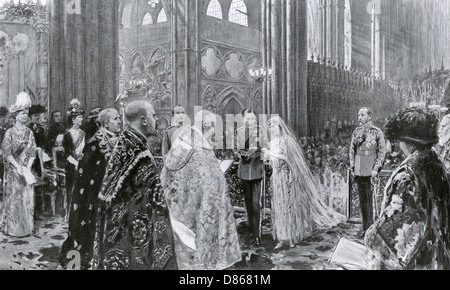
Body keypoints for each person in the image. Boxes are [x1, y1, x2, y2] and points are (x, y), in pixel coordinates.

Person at [91, 100, 177, 270]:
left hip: (119, 224)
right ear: (144, 120)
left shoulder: (125, 141)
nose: (157, 120)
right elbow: (157, 203)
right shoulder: (140, 153)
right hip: (132, 228)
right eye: (154, 116)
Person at [365, 108, 450, 270]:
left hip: (419, 260)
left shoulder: (408, 174)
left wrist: (371, 237)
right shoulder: (434, 161)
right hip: (439, 254)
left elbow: (398, 230)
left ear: (407, 142)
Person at [161, 110, 242, 270]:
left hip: (178, 206)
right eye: (214, 131)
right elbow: (212, 181)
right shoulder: (200, 148)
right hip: (197, 208)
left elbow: (167, 172)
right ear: (206, 126)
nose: (214, 137)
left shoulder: (182, 140)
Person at [262, 117, 345, 250]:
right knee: (279, 207)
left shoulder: (286, 140)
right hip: (276, 177)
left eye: (274, 125)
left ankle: (292, 235)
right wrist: (267, 157)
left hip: (287, 175)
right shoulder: (272, 142)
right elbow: (273, 160)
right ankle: (282, 237)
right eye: (270, 126)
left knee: (289, 207)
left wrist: (271, 153)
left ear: (280, 127)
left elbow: (288, 158)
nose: (271, 128)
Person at [60, 108, 122, 269]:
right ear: (106, 123)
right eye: (116, 119)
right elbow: (85, 173)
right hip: (96, 194)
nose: (120, 121)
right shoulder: (95, 142)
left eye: (120, 118)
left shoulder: (117, 139)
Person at [0, 92, 37, 237]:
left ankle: (26, 228)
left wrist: (27, 168)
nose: (25, 116)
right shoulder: (9, 133)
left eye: (26, 113)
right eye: (22, 113)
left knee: (27, 198)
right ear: (16, 115)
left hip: (26, 170)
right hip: (13, 170)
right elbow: (7, 154)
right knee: (14, 199)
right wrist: (18, 167)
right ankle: (14, 229)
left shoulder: (30, 132)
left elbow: (33, 152)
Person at [349, 107, 386, 234]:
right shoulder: (356, 132)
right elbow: (352, 150)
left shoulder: (377, 132)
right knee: (362, 200)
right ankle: (365, 228)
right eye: (358, 115)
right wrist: (353, 166)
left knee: (371, 201)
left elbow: (381, 151)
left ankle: (371, 229)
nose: (359, 117)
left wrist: (376, 168)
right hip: (359, 167)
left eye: (362, 115)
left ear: (370, 116)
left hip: (370, 168)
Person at [235, 109, 268, 246]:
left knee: (256, 204)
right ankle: (251, 229)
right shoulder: (239, 132)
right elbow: (236, 150)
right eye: (248, 119)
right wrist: (241, 154)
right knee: (248, 204)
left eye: (253, 119)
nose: (251, 121)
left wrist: (258, 150)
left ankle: (257, 234)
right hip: (244, 171)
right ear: (243, 120)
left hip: (257, 170)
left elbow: (265, 149)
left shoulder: (261, 131)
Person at [63, 99, 86, 220]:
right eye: (79, 117)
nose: (82, 119)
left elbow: (84, 150)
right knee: (71, 190)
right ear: (73, 119)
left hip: (81, 164)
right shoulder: (67, 134)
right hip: (71, 165)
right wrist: (76, 163)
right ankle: (69, 214)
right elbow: (67, 154)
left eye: (82, 117)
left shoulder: (83, 133)